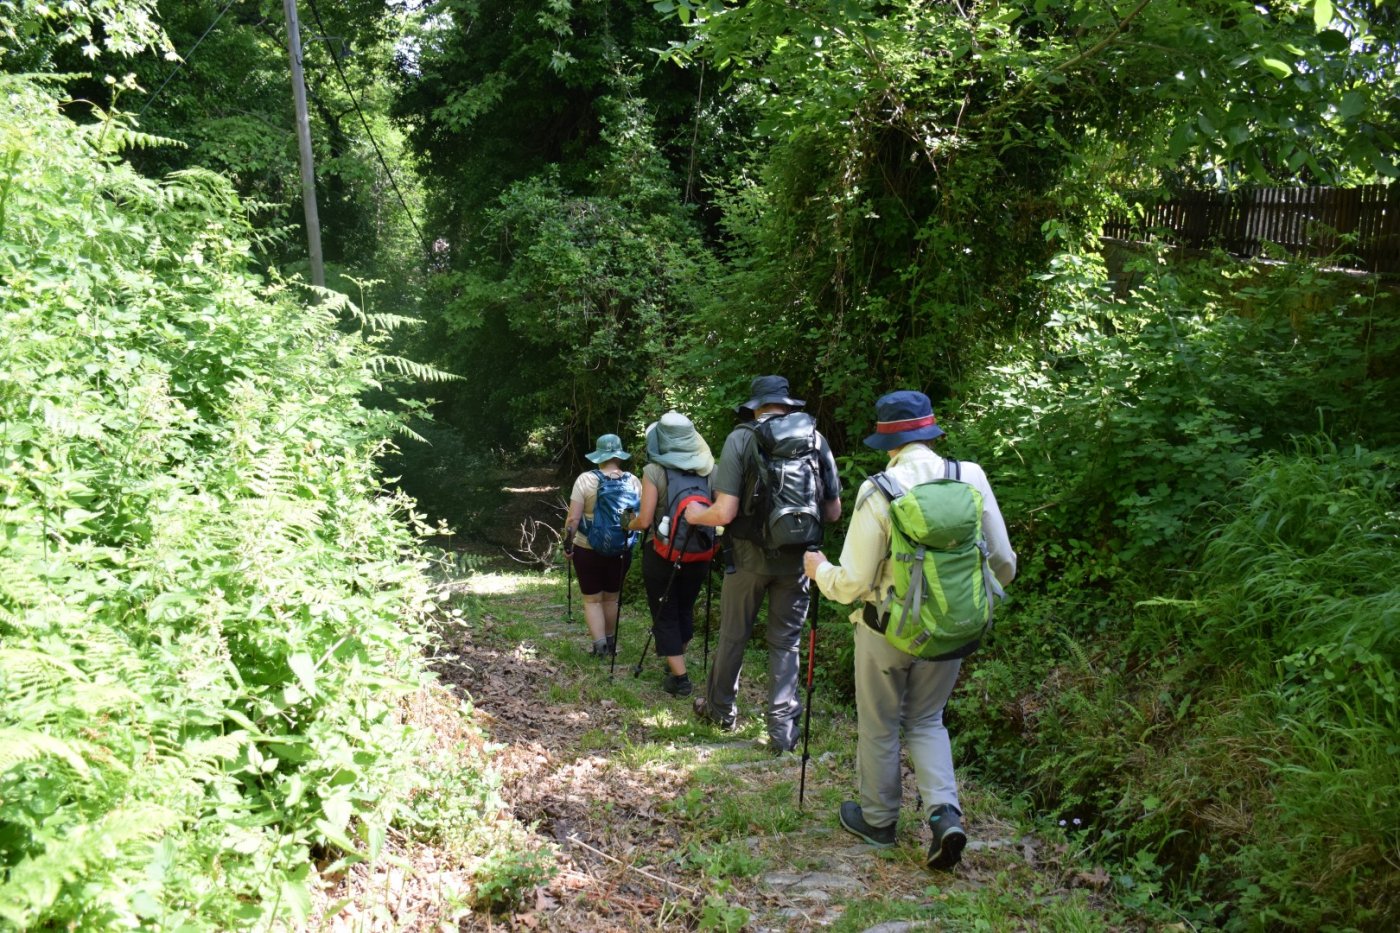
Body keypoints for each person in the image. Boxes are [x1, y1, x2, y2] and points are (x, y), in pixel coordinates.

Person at [802, 390, 1016, 871]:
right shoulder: (970, 476)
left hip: (886, 633)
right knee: (927, 719)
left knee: (880, 724)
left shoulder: (879, 490)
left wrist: (818, 570)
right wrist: (961, 604)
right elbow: (1003, 563)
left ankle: (878, 821)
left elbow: (853, 582)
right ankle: (943, 815)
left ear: (888, 442)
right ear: (931, 432)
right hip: (953, 629)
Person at [684, 375, 842, 753]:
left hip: (747, 557)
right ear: (788, 405)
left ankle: (720, 712)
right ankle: (783, 732)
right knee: (786, 643)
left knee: (734, 635)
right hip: (799, 560)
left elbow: (725, 510)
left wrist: (694, 516)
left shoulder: (741, 437)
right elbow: (833, 512)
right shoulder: (815, 440)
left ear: (755, 405)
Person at [625, 411, 716, 697]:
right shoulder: (710, 470)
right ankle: (675, 658)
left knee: (664, 610)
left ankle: (680, 679)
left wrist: (626, 522)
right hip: (700, 552)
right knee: (684, 607)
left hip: (662, 553)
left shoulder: (654, 471)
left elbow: (644, 519)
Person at [564, 434, 642, 658]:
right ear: (619, 455)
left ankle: (599, 648)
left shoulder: (585, 480)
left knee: (592, 599)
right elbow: (635, 517)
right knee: (611, 597)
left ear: (599, 456)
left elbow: (572, 521)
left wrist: (568, 546)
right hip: (621, 550)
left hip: (587, 549)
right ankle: (611, 642)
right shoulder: (634, 481)